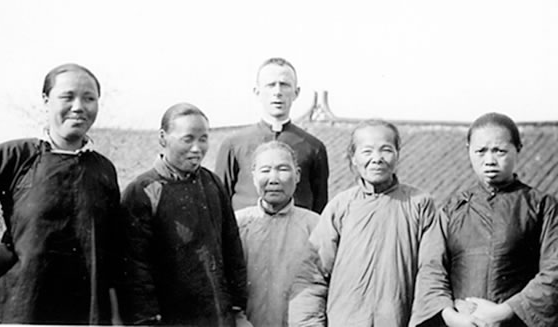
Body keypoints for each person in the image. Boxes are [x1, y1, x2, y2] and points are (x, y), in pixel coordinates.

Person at [0, 63, 122, 324]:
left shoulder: (103, 169)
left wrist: (115, 317)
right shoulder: (17, 156)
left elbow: (112, 248)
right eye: (67, 97)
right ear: (46, 101)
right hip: (21, 307)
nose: (79, 107)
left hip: (86, 313)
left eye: (89, 98)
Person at [409, 112, 558, 327]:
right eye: (481, 151)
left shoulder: (542, 206)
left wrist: (505, 311)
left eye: (499, 151)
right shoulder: (452, 209)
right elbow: (432, 269)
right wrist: (451, 316)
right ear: (468, 150)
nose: (489, 161)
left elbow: (554, 270)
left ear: (518, 149)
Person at [288, 119, 438, 327]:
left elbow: (431, 273)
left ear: (398, 155)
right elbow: (312, 276)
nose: (377, 159)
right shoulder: (340, 207)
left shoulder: (420, 205)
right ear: (353, 158)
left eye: (386, 150)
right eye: (367, 151)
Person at [118, 103, 248, 326]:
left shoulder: (213, 183)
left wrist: (236, 307)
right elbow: (135, 267)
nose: (197, 148)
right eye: (188, 139)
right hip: (169, 316)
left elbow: (231, 247)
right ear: (163, 138)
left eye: (203, 139)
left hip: (217, 314)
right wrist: (146, 318)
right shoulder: (142, 191)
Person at [215, 57, 329, 213]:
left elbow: (320, 205)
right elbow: (218, 202)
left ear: (296, 92)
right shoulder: (234, 144)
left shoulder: (313, 147)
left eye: (284, 85)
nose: (277, 92)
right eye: (270, 85)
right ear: (257, 92)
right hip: (245, 231)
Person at [236, 141, 319, 327]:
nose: (274, 179)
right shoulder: (237, 225)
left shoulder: (316, 226)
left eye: (282, 169)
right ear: (254, 176)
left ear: (297, 175)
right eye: (265, 171)